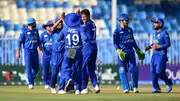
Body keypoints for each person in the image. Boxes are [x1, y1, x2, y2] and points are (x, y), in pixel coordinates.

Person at [113, 13, 145, 93]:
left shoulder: (130, 30)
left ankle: (134, 87)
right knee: (122, 70)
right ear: (121, 21)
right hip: (122, 53)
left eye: (127, 21)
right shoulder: (116, 31)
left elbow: (132, 41)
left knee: (134, 69)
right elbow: (115, 43)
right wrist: (118, 51)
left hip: (131, 52)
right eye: (125, 21)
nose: (127, 22)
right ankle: (126, 88)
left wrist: (137, 50)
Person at [58, 13, 83, 95]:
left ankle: (68, 78)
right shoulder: (79, 28)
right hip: (78, 50)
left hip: (70, 50)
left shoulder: (65, 28)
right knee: (78, 70)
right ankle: (78, 89)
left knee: (65, 68)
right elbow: (86, 38)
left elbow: (58, 39)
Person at [146, 17, 173, 93]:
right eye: (154, 23)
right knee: (153, 71)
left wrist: (159, 46)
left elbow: (168, 44)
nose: (154, 24)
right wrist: (149, 47)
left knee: (159, 72)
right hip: (154, 55)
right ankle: (156, 88)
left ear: (160, 24)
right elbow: (155, 44)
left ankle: (168, 82)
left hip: (161, 55)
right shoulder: (155, 34)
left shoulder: (165, 33)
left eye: (156, 23)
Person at [16, 17, 43, 89]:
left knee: (36, 68)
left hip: (35, 51)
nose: (35, 24)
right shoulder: (24, 31)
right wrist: (18, 52)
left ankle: (29, 79)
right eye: (34, 23)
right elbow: (19, 42)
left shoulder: (36, 31)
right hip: (27, 51)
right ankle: (31, 83)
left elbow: (38, 41)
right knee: (28, 67)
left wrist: (40, 50)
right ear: (30, 24)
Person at [79, 9, 100, 94]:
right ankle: (96, 86)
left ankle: (84, 88)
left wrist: (81, 30)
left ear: (88, 16)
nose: (83, 18)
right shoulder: (93, 23)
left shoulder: (84, 26)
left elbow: (85, 38)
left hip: (88, 47)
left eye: (84, 16)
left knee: (82, 67)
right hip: (94, 47)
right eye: (82, 16)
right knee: (91, 68)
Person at [49, 16, 65, 94]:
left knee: (63, 72)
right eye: (59, 23)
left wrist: (63, 20)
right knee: (54, 73)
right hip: (55, 55)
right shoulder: (53, 31)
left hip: (63, 54)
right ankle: (52, 86)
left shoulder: (64, 31)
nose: (60, 24)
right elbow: (53, 27)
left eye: (61, 23)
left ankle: (61, 88)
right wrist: (60, 20)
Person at [40, 21, 54, 89]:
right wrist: (40, 51)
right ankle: (46, 83)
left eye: (51, 25)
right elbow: (39, 44)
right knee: (45, 70)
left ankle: (53, 82)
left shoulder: (54, 34)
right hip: (45, 55)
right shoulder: (43, 35)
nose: (50, 27)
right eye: (49, 26)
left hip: (54, 54)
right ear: (46, 27)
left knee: (54, 69)